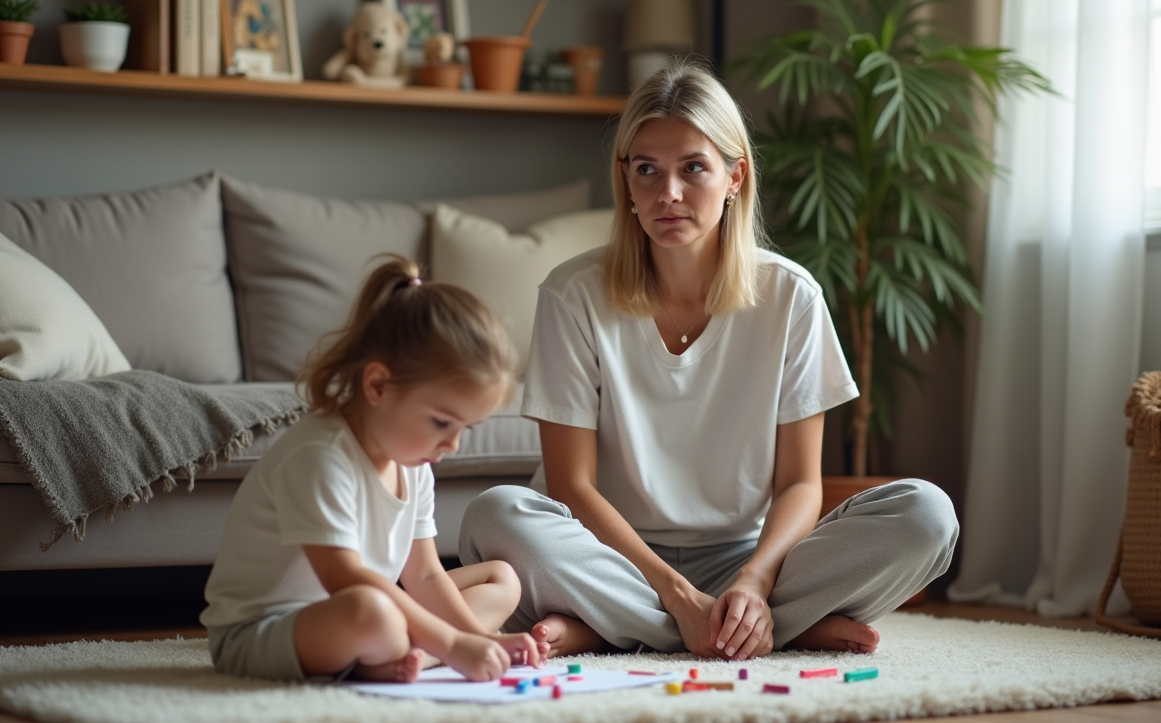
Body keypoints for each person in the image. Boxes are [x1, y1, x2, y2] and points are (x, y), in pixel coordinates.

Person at [459, 62, 959, 661]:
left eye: (693, 168)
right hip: (607, 555)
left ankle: (621, 628)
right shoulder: (573, 294)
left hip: (743, 557)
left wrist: (755, 580)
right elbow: (572, 486)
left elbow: (801, 484)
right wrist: (675, 593)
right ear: (626, 181)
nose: (668, 193)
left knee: (927, 516)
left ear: (734, 176)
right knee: (495, 516)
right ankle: (761, 628)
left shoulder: (792, 296)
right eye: (647, 170)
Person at [201, 256, 542, 682]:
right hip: (263, 632)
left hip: (365, 609)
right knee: (374, 611)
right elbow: (344, 578)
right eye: (442, 422)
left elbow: (424, 575)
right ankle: (416, 652)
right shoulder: (319, 455)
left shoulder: (414, 462)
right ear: (378, 385)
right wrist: (454, 643)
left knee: (501, 578)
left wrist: (480, 638)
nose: (452, 445)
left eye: (464, 428)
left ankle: (403, 656)